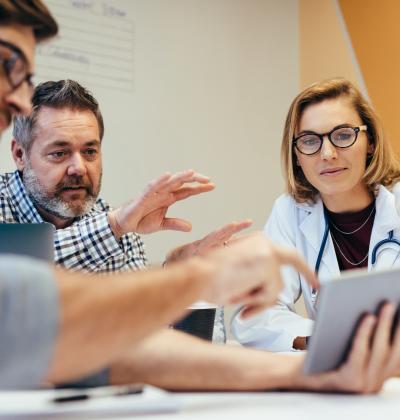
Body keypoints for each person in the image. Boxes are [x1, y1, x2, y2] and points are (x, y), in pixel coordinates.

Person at [1, 1, 400, 395]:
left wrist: (310, 373)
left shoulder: (111, 220)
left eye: (90, 151)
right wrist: (189, 274)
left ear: (369, 141)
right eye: (7, 67)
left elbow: (128, 340)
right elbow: (29, 306)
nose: (19, 98)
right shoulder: (108, 221)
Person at [8, 79, 251, 342]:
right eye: (59, 153)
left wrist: (179, 272)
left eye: (90, 151)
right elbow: (14, 292)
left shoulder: (116, 223)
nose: (79, 167)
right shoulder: (116, 224)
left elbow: (142, 331)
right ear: (20, 154)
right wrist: (114, 226)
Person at [232, 78, 400, 352]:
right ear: (297, 155)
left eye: (344, 135)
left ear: (370, 142)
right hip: (337, 375)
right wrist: (325, 340)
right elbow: (254, 314)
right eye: (310, 141)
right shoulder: (290, 212)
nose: (328, 153)